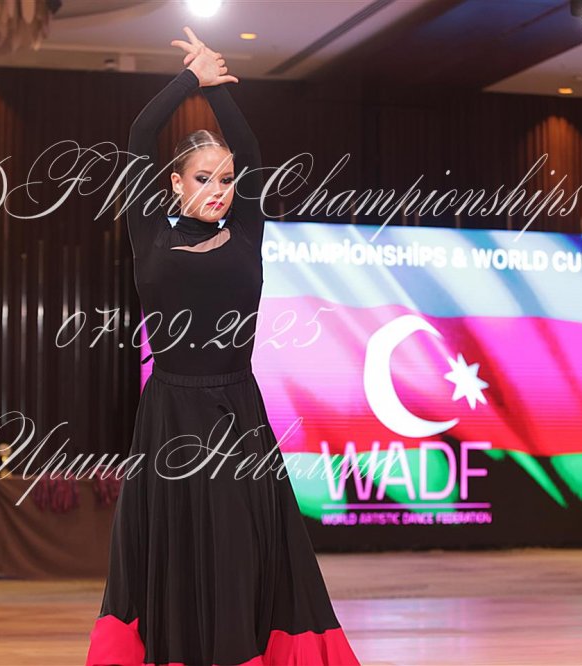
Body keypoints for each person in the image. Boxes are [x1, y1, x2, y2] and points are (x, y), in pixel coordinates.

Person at [86, 28, 361, 665]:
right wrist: (191, 80)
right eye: (204, 177)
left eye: (227, 179)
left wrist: (218, 92)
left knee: (241, 547)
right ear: (174, 183)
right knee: (175, 547)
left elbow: (253, 149)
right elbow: (139, 134)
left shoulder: (246, 230)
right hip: (170, 412)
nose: (219, 188)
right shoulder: (148, 232)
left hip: (236, 411)